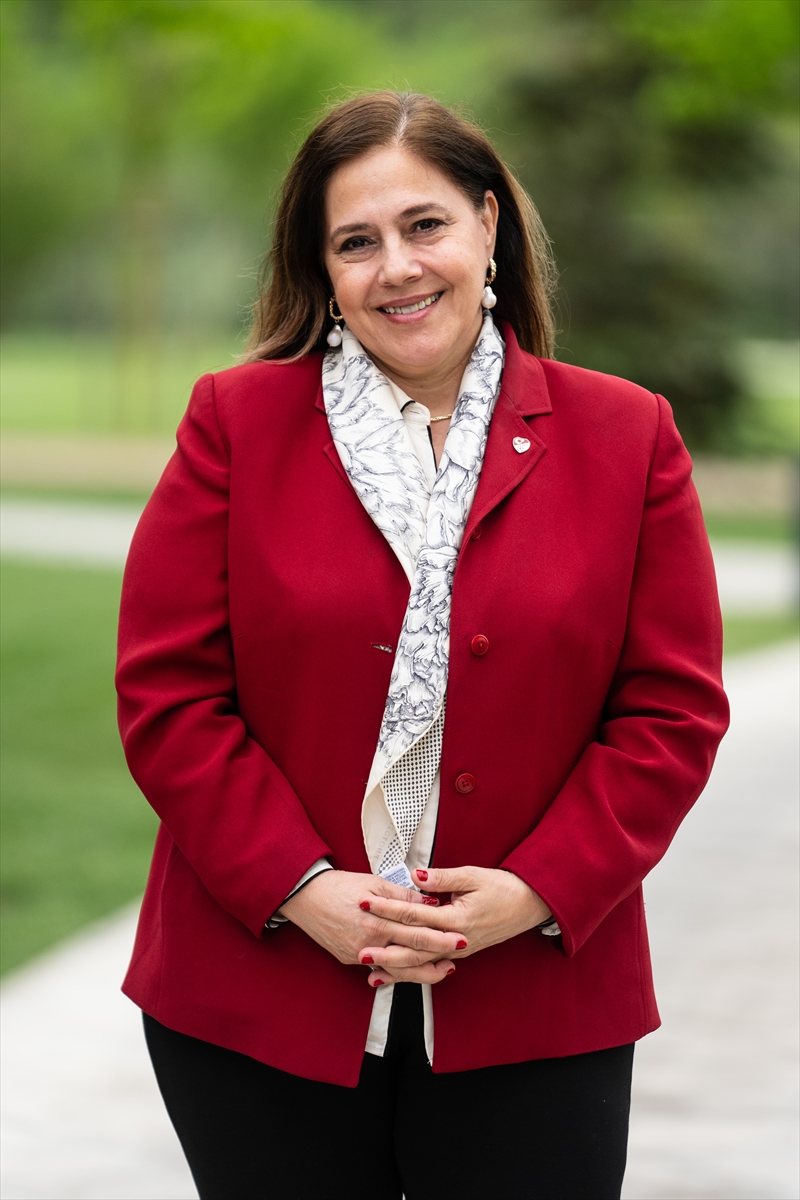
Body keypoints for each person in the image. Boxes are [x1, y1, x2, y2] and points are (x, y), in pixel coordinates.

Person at [116, 92, 728, 1200]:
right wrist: (301, 887)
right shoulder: (234, 425)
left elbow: (670, 713)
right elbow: (169, 697)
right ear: (323, 271)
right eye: (356, 242)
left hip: (536, 998)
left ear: (488, 225)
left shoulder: (627, 435)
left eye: (424, 224)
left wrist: (535, 890)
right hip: (259, 994)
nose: (396, 266)